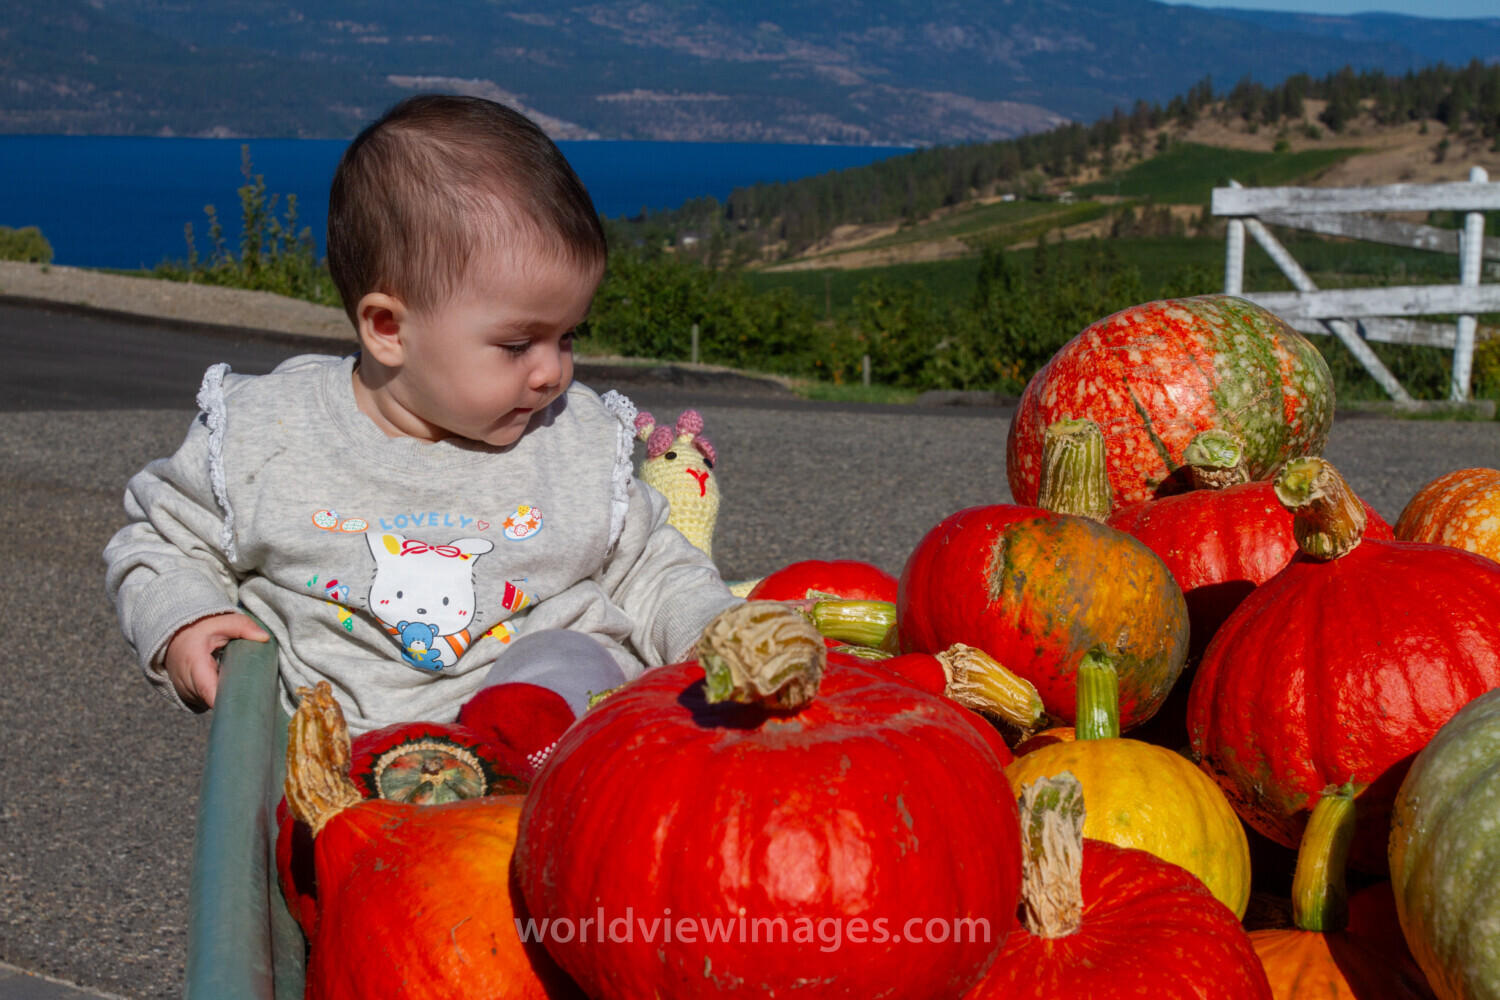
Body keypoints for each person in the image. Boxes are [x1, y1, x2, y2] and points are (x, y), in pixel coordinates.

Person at [103, 95, 741, 769]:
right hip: (345, 783)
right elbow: (161, 538)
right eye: (519, 343)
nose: (552, 372)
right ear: (388, 329)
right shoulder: (272, 434)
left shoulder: (571, 439)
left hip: (553, 773)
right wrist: (183, 620)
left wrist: (710, 631)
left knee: (571, 658)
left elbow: (652, 565)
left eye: (568, 335)